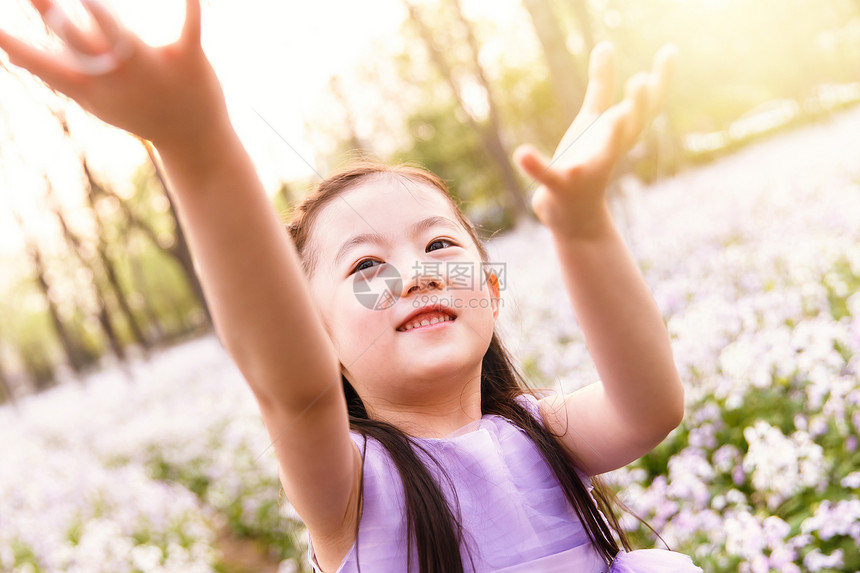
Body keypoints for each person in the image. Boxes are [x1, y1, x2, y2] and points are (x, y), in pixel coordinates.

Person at [0, 1, 703, 571]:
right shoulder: (354, 485)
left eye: (439, 244)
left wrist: (581, 227)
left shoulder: (540, 429)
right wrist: (195, 141)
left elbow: (650, 407)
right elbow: (293, 385)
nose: (417, 271)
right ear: (320, 336)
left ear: (489, 284)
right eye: (366, 266)